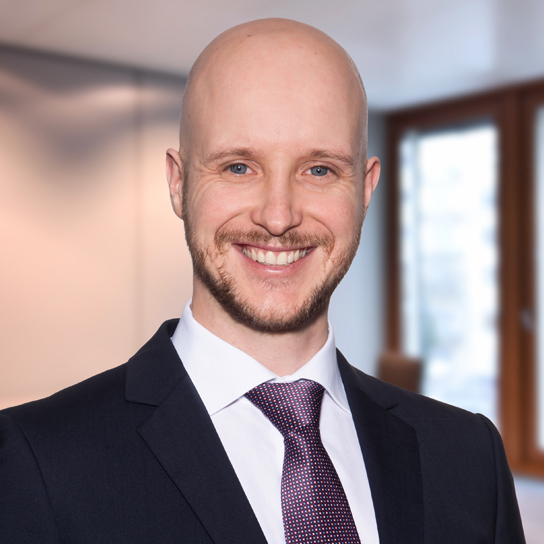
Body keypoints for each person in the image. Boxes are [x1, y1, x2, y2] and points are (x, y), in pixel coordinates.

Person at [0, 18, 525, 544]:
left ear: (365, 190)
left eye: (319, 170)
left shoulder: (468, 456)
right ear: (179, 184)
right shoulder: (37, 461)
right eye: (238, 167)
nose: (278, 217)